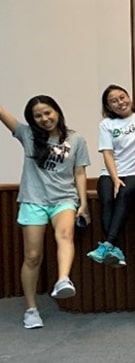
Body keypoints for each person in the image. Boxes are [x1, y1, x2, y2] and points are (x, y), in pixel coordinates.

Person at [1, 97, 89, 329]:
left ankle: (62, 279)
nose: (45, 118)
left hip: (64, 199)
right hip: (33, 200)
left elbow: (80, 173)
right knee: (32, 256)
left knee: (65, 235)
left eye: (47, 113)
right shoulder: (27, 135)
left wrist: (83, 203)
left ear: (56, 112)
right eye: (38, 116)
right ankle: (31, 309)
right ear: (33, 120)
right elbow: (3, 113)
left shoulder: (76, 139)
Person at [88, 35, 135, 267]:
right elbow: (107, 153)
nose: (120, 102)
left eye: (122, 97)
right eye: (113, 101)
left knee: (127, 194)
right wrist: (114, 177)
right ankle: (113, 248)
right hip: (112, 170)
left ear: (129, 97)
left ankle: (108, 245)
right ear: (108, 107)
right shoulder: (107, 124)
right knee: (107, 197)